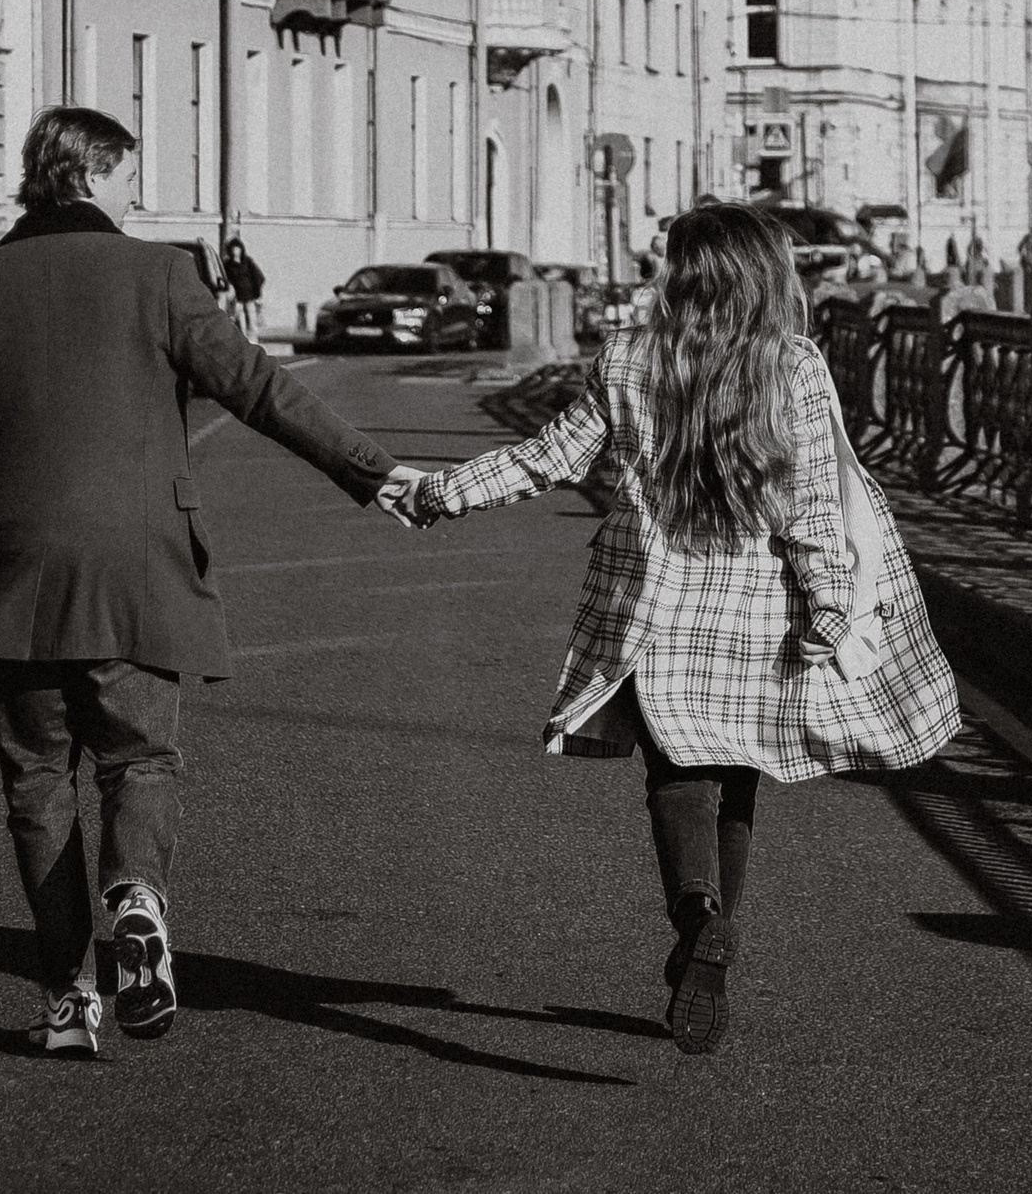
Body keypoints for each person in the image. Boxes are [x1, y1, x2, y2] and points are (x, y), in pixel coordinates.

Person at [376, 202, 960, 1054]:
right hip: (761, 614)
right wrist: (830, 604)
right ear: (766, 275)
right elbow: (813, 505)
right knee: (740, 777)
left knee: (674, 775)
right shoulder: (793, 364)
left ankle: (698, 913)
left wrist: (439, 492)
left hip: (657, 615)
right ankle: (713, 937)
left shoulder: (629, 358)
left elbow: (548, 459)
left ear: (684, 275)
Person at [0, 107, 397, 1057]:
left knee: (38, 781)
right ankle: (139, 895)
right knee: (139, 759)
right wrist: (368, 470)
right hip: (138, 566)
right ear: (96, 171)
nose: (133, 197)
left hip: (5, 576)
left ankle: (70, 995)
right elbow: (259, 389)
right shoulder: (161, 275)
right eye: (126, 178)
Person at [220, 232, 266, 341]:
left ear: (241, 249)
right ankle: (244, 342)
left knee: (251, 320)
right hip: (237, 298)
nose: (235, 252)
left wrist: (257, 293)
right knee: (240, 322)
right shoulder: (227, 265)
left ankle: (253, 342)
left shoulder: (247, 262)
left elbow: (259, 277)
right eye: (233, 249)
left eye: (237, 249)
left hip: (250, 296)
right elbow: (225, 279)